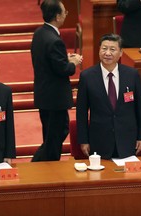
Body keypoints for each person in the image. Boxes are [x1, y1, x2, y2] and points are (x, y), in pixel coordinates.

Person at [76, 33, 141, 159]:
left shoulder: (132, 75)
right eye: (104, 48)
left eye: (112, 49)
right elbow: (81, 112)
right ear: (99, 50)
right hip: (99, 141)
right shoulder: (87, 77)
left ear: (121, 53)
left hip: (127, 140)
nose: (107, 53)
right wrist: (83, 140)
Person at [31, 0, 82, 161]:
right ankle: (40, 165)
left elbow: (48, 60)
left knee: (51, 136)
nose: (66, 15)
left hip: (44, 94)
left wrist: (64, 58)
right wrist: (73, 63)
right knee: (55, 137)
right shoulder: (55, 40)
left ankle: (42, 165)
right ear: (58, 16)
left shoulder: (40, 33)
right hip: (55, 98)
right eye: (65, 12)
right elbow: (63, 70)